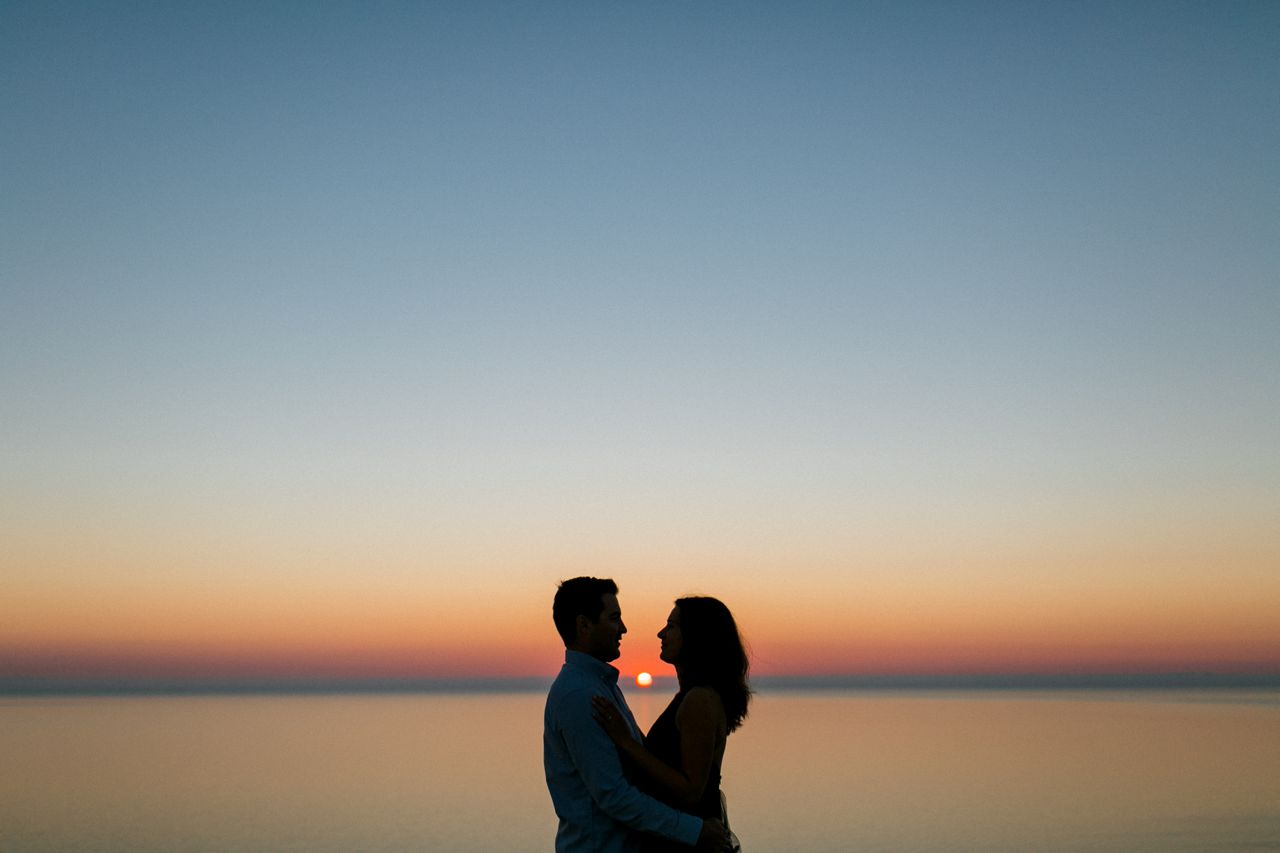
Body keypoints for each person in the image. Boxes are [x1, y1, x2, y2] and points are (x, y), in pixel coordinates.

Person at [544, 577, 730, 853]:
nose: (624, 628)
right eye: (614, 617)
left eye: (672, 626)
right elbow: (614, 796)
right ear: (584, 625)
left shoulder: (602, 686)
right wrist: (695, 831)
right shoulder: (580, 694)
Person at [592, 596, 750, 852]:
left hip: (691, 840)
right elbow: (669, 760)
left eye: (672, 626)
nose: (661, 633)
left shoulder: (699, 700)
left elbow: (691, 790)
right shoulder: (691, 696)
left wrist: (626, 743)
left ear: (697, 636)